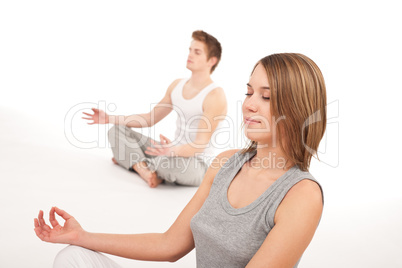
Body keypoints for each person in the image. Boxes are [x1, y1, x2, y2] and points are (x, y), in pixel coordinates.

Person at [34, 53, 327, 268]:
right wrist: (82, 236)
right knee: (72, 258)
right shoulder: (225, 163)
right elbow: (169, 245)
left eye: (266, 97)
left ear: (297, 107)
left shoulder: (301, 194)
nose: (249, 104)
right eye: (249, 92)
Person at [82, 30, 227, 188]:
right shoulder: (176, 85)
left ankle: (133, 161)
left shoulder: (215, 95)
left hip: (197, 163)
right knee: (116, 131)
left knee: (165, 163)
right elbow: (150, 118)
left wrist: (172, 151)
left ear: (211, 60)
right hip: (169, 151)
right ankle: (146, 172)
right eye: (190, 50)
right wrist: (109, 118)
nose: (190, 55)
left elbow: (200, 144)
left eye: (197, 52)